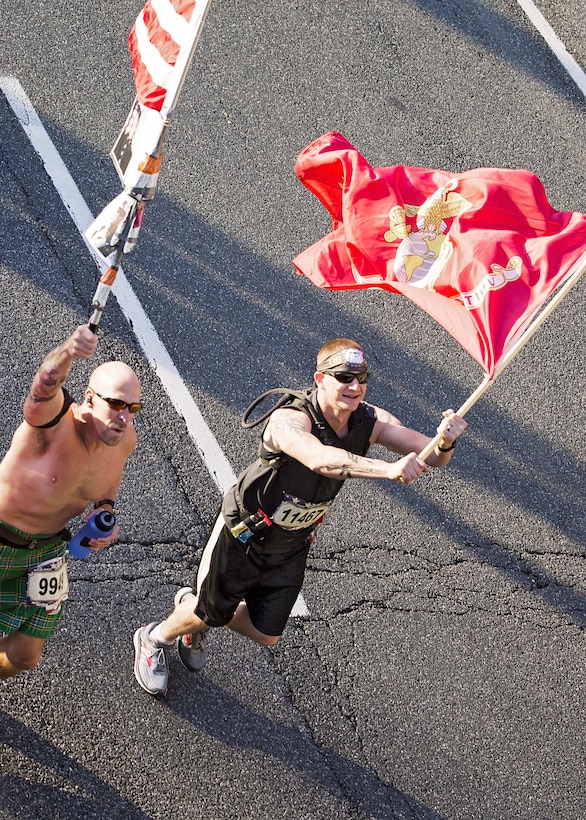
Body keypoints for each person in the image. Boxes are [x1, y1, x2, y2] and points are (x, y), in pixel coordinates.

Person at [133, 338, 466, 697]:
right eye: (343, 377)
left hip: (292, 541)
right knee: (210, 611)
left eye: (361, 377)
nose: (355, 386)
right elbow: (321, 458)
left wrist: (444, 441)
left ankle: (197, 610)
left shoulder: (371, 421)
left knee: (267, 634)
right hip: (245, 533)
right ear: (320, 378)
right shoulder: (289, 420)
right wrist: (388, 470)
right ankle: (154, 638)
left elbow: (430, 457)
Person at [0, 324, 141, 678]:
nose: (124, 416)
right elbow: (44, 387)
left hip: (47, 555)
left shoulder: (122, 438)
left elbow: (111, 475)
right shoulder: (51, 426)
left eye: (133, 407)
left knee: (24, 656)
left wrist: (105, 510)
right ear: (89, 398)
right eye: (116, 404)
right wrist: (68, 352)